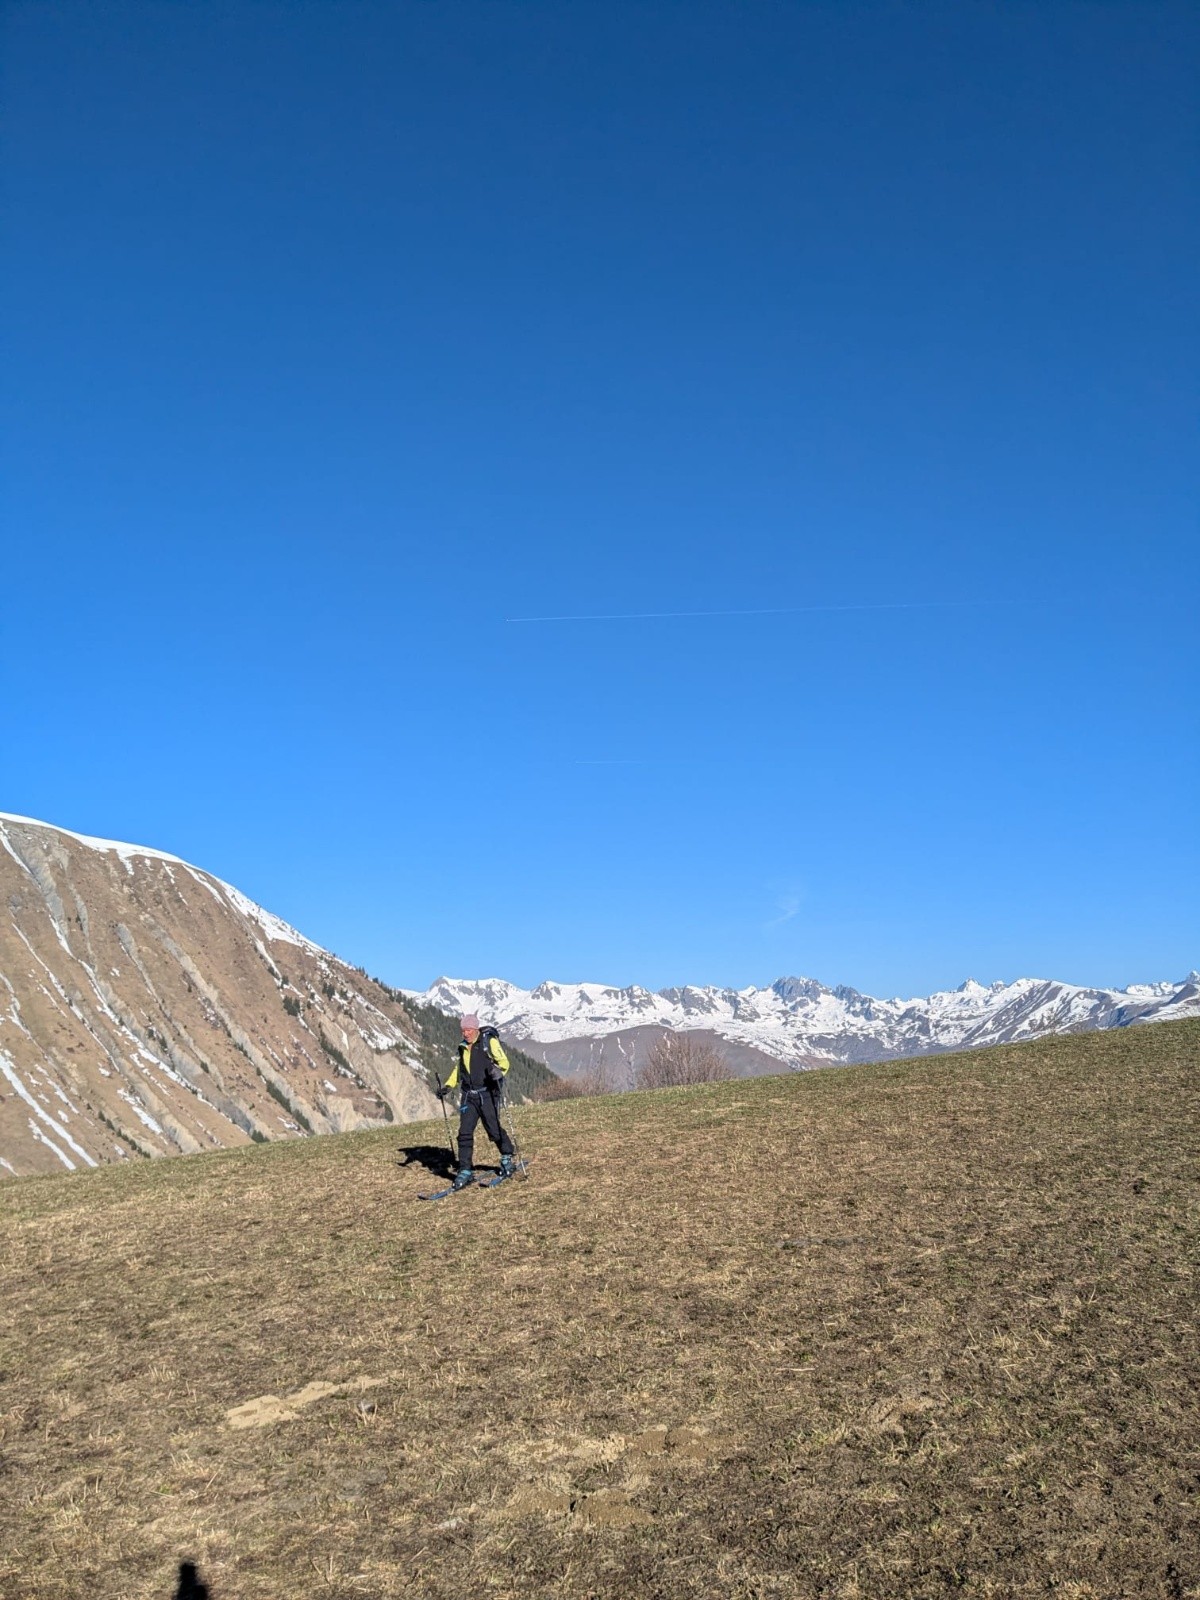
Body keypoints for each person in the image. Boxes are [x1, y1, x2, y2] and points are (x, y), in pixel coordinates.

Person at [437, 1013, 517, 1189]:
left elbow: (504, 1062)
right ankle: (465, 1170)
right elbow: (459, 1069)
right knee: (464, 1133)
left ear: (476, 1029)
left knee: (493, 1129)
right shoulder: (463, 1046)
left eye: (468, 1030)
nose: (465, 1033)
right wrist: (448, 1086)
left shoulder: (489, 1042)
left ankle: (507, 1156)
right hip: (469, 1095)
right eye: (463, 1030)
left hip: (487, 1093)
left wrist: (498, 1072)